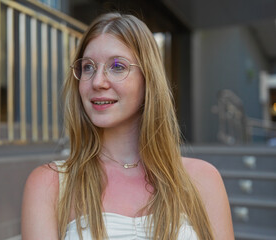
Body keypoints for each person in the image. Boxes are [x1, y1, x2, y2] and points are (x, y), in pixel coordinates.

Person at [21, 12, 234, 240]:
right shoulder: (49, 184)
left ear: (148, 78)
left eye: (117, 66)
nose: (97, 82)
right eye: (88, 67)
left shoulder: (202, 179)